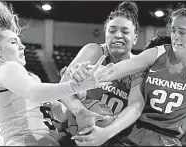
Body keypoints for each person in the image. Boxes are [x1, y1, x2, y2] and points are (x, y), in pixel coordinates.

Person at [72, 5, 186, 146]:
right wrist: (87, 75)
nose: (175, 36)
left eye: (182, 31)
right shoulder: (157, 53)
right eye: (173, 30)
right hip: (133, 130)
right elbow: (118, 69)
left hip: (167, 137)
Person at [0, 1, 114, 146]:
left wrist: (81, 97)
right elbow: (34, 93)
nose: (23, 46)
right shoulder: (7, 68)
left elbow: (57, 116)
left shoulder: (30, 79)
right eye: (14, 42)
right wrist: (73, 86)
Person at [56, 1, 147, 146]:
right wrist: (80, 111)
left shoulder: (138, 67)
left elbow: (136, 107)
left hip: (113, 136)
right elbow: (62, 88)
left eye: (125, 31)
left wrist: (105, 133)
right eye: (112, 30)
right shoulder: (94, 51)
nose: (118, 35)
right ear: (105, 34)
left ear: (135, 38)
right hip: (75, 132)